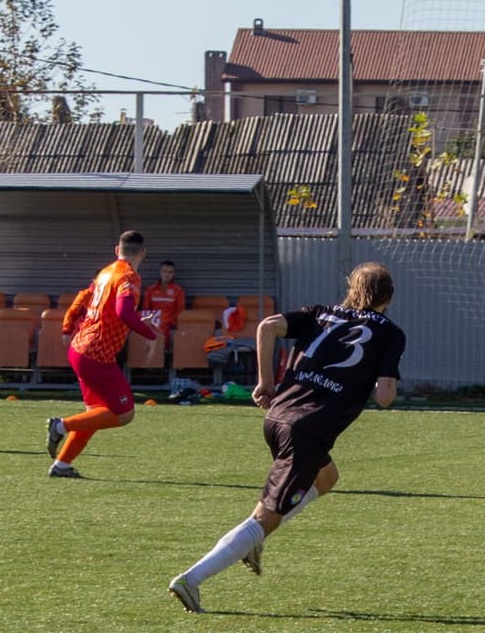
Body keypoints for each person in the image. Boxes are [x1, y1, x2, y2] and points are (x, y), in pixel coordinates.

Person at [167, 263, 406, 613]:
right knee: (265, 517)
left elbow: (266, 326)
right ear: (388, 296)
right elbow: (384, 396)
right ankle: (192, 578)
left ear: (351, 288)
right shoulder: (391, 334)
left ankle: (254, 539)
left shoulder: (319, 313)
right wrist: (380, 383)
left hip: (277, 415)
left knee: (327, 477)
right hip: (308, 429)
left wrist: (264, 383)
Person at [45, 231, 160, 479]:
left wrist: (68, 325)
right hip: (96, 354)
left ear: (116, 250)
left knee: (95, 414)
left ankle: (62, 465)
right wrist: (151, 335)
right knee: (124, 413)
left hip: (81, 348)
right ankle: (60, 426)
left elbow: (97, 304)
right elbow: (123, 312)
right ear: (144, 253)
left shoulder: (106, 272)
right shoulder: (129, 276)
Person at [142, 260, 186, 337]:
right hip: (153, 320)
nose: (167, 274)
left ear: (173, 274)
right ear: (160, 272)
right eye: (164, 271)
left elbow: (180, 312)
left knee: (162, 322)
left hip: (169, 322)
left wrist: (168, 320)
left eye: (170, 272)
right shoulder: (150, 290)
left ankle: (164, 347)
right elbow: (146, 310)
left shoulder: (178, 291)